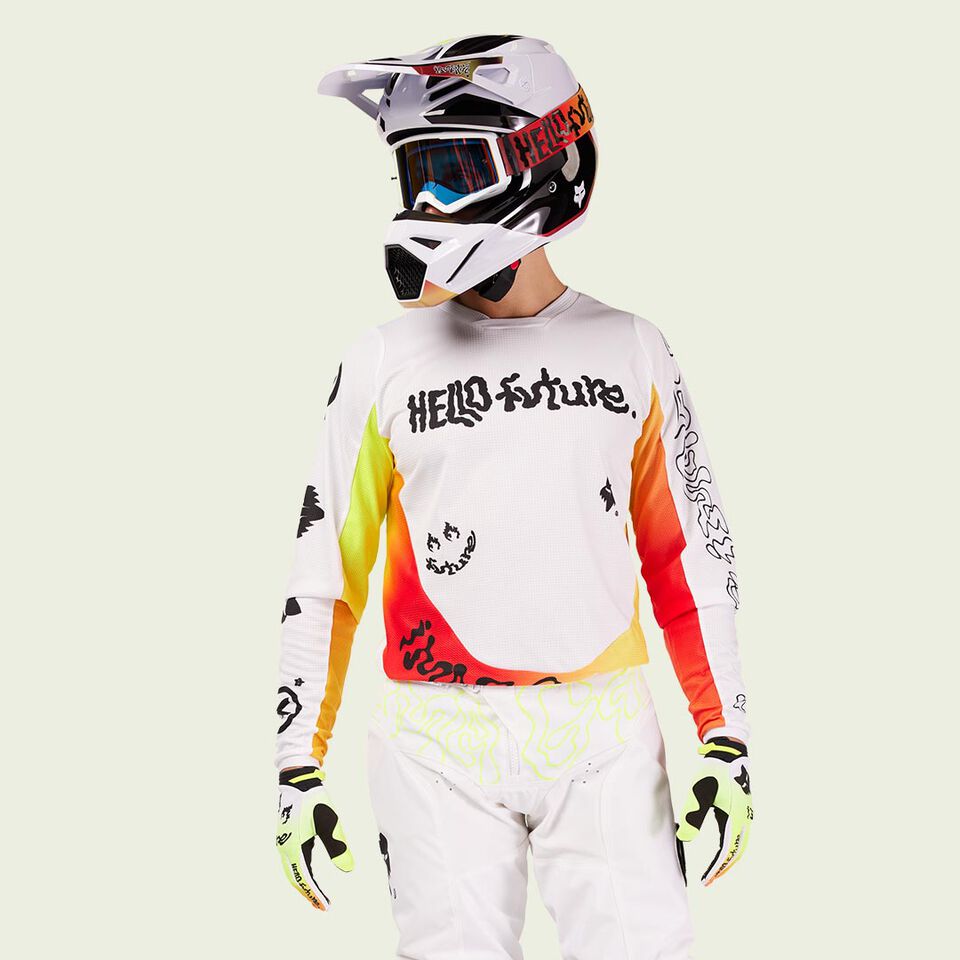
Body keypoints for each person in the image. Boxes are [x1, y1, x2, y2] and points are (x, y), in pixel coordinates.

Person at [274, 34, 752, 960]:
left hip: (603, 730)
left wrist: (726, 739)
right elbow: (325, 571)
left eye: (453, 171)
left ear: (541, 160)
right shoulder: (379, 363)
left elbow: (690, 557)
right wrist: (296, 765)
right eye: (414, 173)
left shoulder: (634, 350)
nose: (426, 204)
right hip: (432, 737)